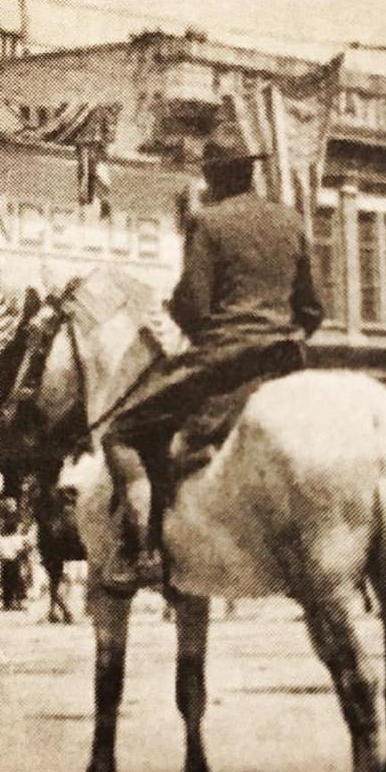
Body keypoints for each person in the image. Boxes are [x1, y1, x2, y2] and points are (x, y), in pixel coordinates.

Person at [102, 119, 325, 588]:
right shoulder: (291, 221)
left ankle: (144, 552)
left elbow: (194, 307)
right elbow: (313, 309)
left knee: (121, 432)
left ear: (214, 177)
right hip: (287, 361)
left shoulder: (207, 222)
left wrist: (184, 317)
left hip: (223, 361)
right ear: (250, 172)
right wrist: (280, 339)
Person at [0, 498, 31, 610]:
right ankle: (17, 602)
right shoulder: (16, 536)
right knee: (17, 581)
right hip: (14, 559)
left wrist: (0, 556)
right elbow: (20, 548)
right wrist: (22, 553)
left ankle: (7, 603)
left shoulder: (2, 536)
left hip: (5, 559)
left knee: (7, 581)